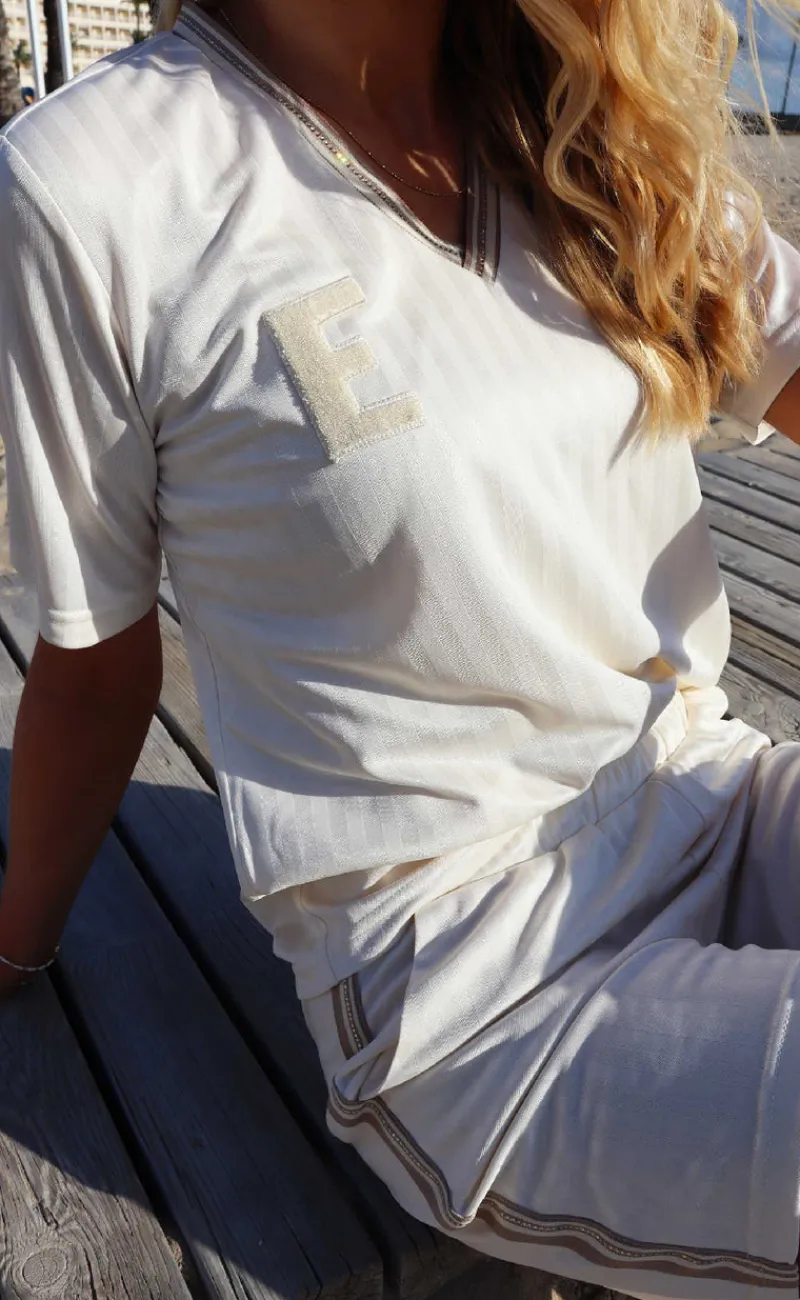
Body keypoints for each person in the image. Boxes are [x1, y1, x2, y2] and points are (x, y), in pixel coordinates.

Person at [1, 0, 800, 1295]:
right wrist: (14, 946)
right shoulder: (97, 179)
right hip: (478, 983)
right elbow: (95, 662)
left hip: (716, 798)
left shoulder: (585, 119)